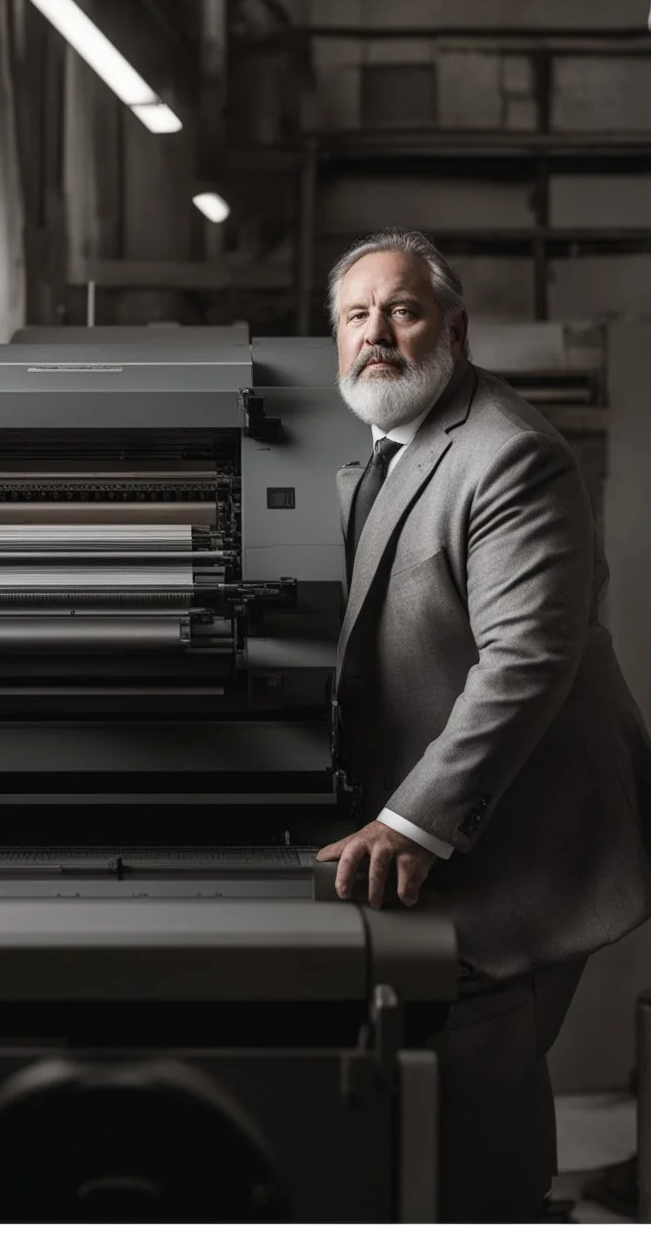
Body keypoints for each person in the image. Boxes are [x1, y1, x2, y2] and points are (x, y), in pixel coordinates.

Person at [316, 229, 651, 1221]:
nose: (377, 333)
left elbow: (524, 660)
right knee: (444, 1092)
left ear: (454, 330)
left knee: (472, 1092)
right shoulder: (390, 446)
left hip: (527, 834)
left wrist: (412, 821)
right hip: (473, 817)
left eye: (403, 311)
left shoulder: (509, 454)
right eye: (355, 315)